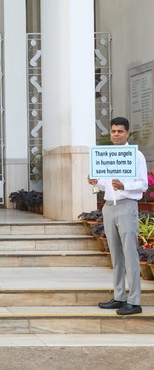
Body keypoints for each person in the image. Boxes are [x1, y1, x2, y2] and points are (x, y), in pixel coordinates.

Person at [88, 116, 148, 315]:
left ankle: (135, 300)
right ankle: (119, 295)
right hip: (108, 207)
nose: (116, 134)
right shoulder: (106, 156)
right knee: (115, 254)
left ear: (127, 133)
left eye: (120, 131)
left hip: (126, 206)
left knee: (130, 253)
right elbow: (104, 185)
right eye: (113, 131)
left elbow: (143, 184)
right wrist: (95, 182)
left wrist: (125, 186)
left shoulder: (136, 156)